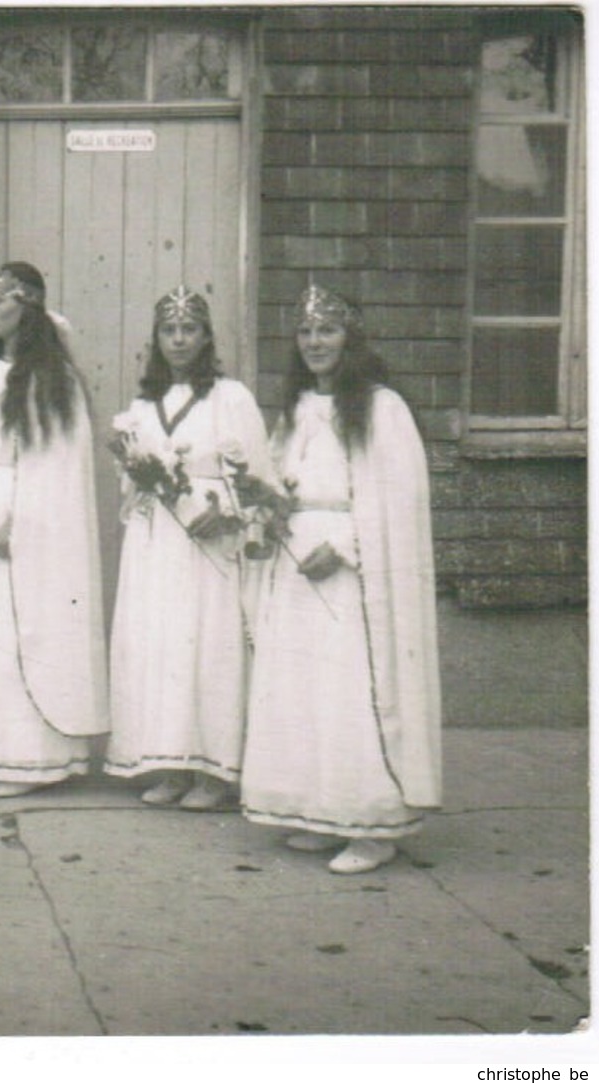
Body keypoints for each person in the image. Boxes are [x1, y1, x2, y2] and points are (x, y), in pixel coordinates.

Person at [240, 285, 442, 874]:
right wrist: (265, 507)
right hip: (296, 567)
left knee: (352, 692)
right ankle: (320, 812)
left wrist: (346, 547)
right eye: (305, 333)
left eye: (327, 331)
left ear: (351, 339)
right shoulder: (297, 409)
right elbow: (280, 482)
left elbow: (398, 504)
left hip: (351, 576)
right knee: (306, 692)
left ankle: (372, 823)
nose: (314, 343)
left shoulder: (382, 409)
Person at [0, 263, 109, 797]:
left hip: (17, 510)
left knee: (14, 630)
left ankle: (24, 758)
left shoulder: (50, 376)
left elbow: (55, 459)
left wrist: (21, 519)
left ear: (26, 304)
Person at [104, 287, 273, 811]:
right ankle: (170, 762)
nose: (179, 340)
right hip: (157, 538)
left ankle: (214, 769)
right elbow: (129, 475)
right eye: (169, 331)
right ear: (156, 339)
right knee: (162, 644)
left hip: (209, 535)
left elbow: (257, 476)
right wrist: (137, 471)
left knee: (208, 645)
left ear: (206, 337)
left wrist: (231, 517)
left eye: (189, 330)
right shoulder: (142, 405)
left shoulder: (231, 397)